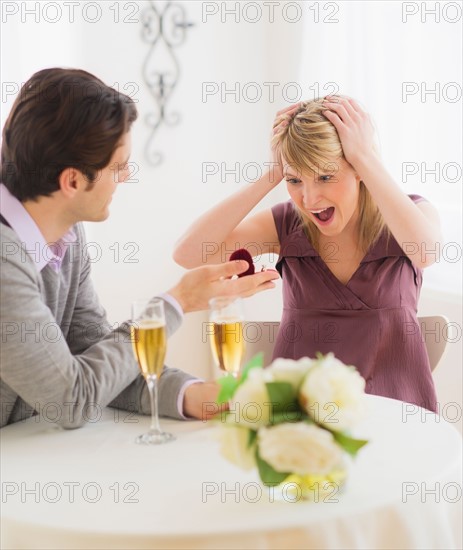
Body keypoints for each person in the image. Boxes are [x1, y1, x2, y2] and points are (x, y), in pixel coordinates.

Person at [0, 68, 279, 429]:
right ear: (71, 181)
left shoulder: (65, 232)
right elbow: (72, 399)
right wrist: (177, 302)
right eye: (118, 167)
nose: (126, 176)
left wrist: (185, 393)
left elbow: (94, 354)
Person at [173, 97, 442, 412]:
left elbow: (426, 253)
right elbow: (188, 253)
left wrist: (364, 156)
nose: (309, 198)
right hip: (298, 418)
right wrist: (273, 174)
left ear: (358, 168)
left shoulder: (406, 214)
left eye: (325, 177)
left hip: (393, 417)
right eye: (295, 180)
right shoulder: (286, 224)